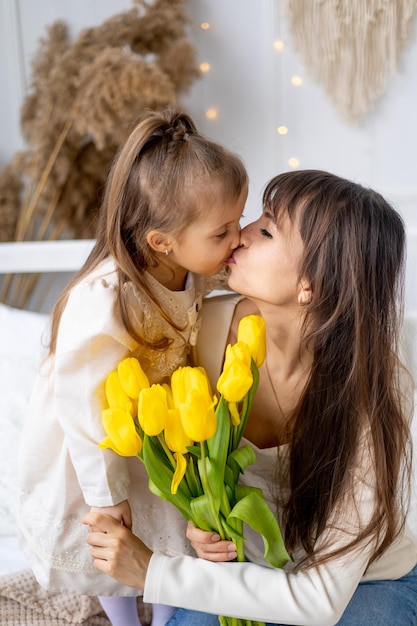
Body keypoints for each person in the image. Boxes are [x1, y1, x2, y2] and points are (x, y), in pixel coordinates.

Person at [83, 170, 417, 626]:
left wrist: (154, 571)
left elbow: (320, 599)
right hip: (249, 574)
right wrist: (204, 526)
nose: (240, 235)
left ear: (312, 285)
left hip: (365, 583)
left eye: (266, 230)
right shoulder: (201, 330)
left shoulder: (377, 386)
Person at [16, 107, 248, 626]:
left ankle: (167, 615)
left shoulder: (190, 271)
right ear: (162, 241)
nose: (237, 238)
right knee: (110, 531)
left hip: (158, 431)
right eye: (222, 232)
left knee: (165, 529)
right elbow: (82, 406)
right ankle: (122, 618)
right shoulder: (106, 297)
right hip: (98, 438)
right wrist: (105, 494)